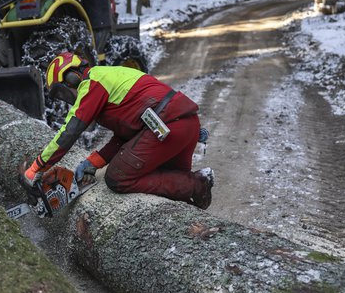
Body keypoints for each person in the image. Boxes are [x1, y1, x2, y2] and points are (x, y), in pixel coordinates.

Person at [19, 51, 214, 209]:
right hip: (183, 125)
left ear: (72, 77)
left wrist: (36, 168)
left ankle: (199, 182)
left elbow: (69, 133)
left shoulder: (92, 83)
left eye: (62, 91)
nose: (66, 98)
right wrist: (94, 161)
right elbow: (128, 135)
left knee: (118, 179)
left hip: (167, 126)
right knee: (174, 190)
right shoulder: (110, 77)